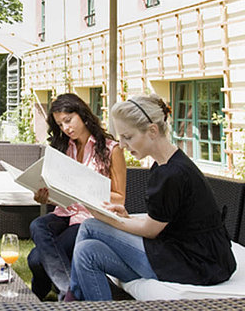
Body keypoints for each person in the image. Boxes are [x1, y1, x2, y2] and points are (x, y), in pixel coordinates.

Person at [68, 94, 236, 301]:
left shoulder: (172, 174)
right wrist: (127, 218)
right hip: (191, 253)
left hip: (196, 263)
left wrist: (107, 218)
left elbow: (150, 230)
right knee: (87, 251)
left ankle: (71, 300)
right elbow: (164, 221)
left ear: (152, 131)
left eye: (127, 137)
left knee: (90, 227)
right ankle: (79, 300)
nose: (121, 144)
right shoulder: (167, 164)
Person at [27, 93, 126, 300]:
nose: (66, 128)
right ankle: (68, 288)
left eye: (68, 120)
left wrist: (86, 189)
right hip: (66, 211)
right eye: (60, 125)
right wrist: (46, 196)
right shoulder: (64, 148)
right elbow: (63, 191)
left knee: (36, 259)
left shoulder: (111, 149)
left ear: (82, 114)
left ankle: (42, 296)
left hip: (91, 218)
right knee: (37, 225)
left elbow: (119, 198)